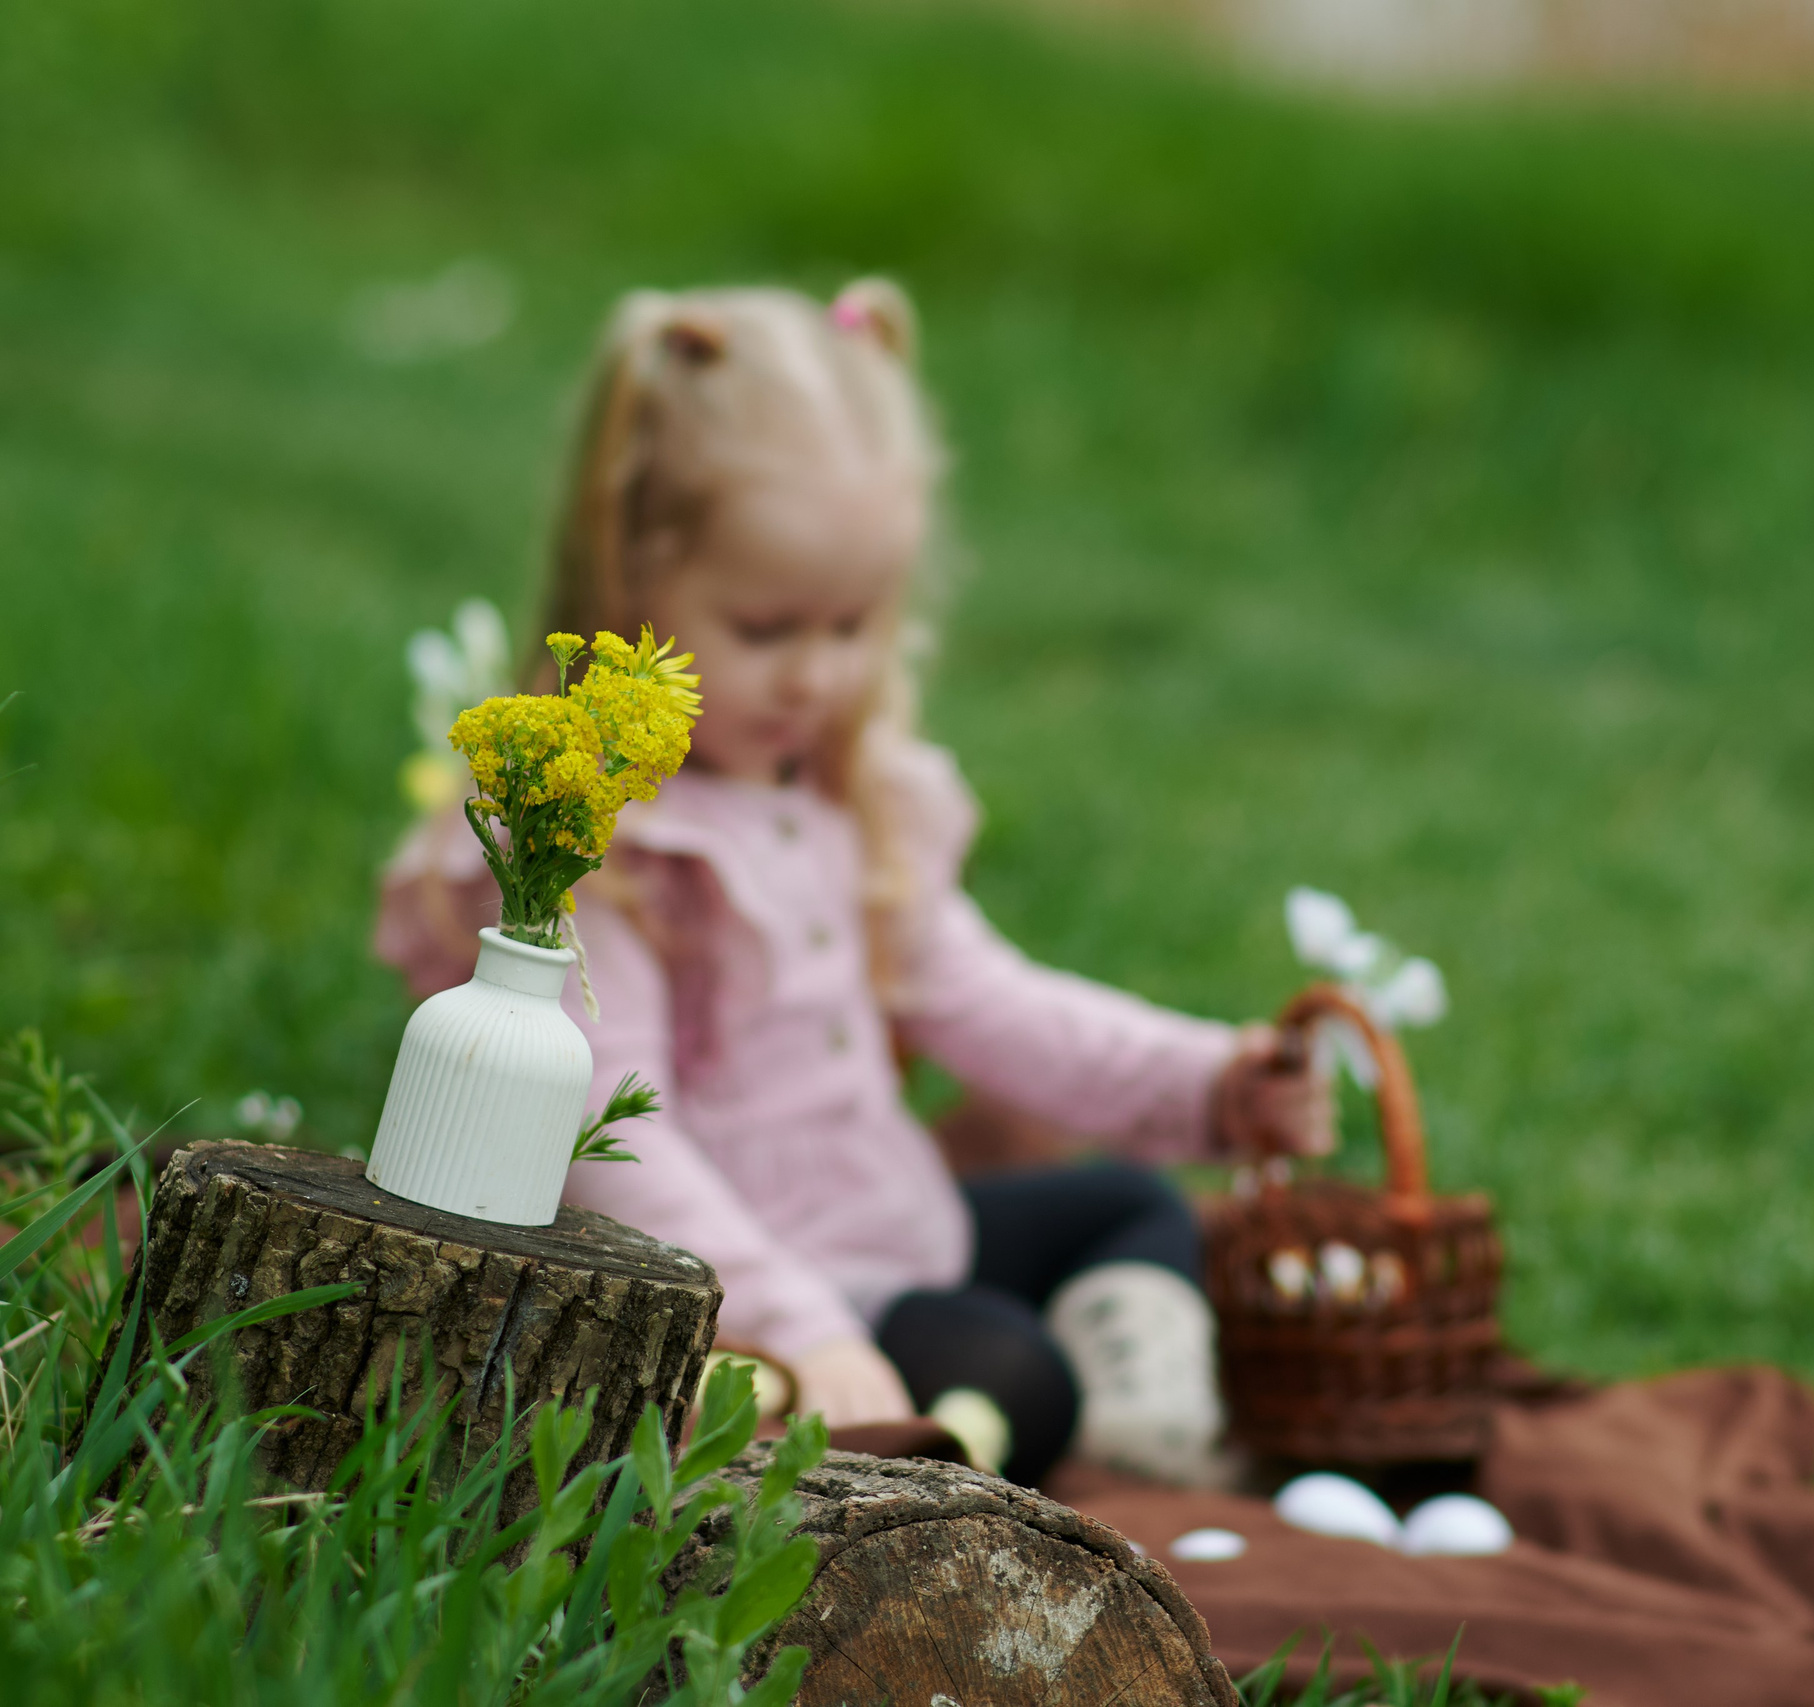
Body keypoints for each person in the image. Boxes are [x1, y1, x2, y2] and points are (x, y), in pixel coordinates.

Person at [375, 281, 1324, 1487]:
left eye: (854, 625)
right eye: (768, 629)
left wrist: (1210, 1085)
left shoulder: (849, 801)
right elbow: (610, 1124)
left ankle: (1133, 1432)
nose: (814, 676)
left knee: (1135, 1204)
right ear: (627, 581)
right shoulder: (588, 837)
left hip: (900, 1233)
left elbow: (993, 1002)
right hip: (747, 1277)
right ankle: (882, 1424)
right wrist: (799, 1321)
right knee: (1018, 1367)